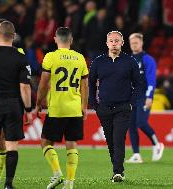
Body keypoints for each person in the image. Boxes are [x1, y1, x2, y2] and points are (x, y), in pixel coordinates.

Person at [0, 21, 32, 189]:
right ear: (13, 36)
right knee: (11, 146)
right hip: (13, 104)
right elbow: (24, 87)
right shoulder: (21, 57)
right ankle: (8, 183)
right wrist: (28, 109)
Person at [34, 27, 89, 189]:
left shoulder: (50, 57)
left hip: (57, 108)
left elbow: (43, 84)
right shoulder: (80, 58)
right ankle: (70, 183)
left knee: (45, 142)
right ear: (71, 40)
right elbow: (84, 85)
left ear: (55, 39)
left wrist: (38, 104)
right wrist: (84, 106)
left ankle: (57, 173)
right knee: (71, 144)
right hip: (74, 108)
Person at [88, 31, 142, 182]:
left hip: (123, 108)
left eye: (117, 41)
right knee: (111, 141)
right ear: (107, 43)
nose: (114, 43)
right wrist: (94, 104)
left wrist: (131, 103)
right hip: (104, 108)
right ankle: (117, 169)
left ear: (122, 43)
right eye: (111, 41)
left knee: (118, 139)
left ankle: (118, 172)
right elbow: (91, 83)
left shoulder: (130, 61)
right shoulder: (98, 62)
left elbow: (138, 84)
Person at [126, 33, 164, 163]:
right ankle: (136, 154)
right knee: (131, 126)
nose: (134, 45)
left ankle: (157, 144)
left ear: (141, 43)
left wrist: (149, 96)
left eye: (136, 42)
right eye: (132, 43)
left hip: (143, 96)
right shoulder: (128, 60)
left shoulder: (147, 59)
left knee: (141, 122)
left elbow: (151, 80)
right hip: (131, 98)